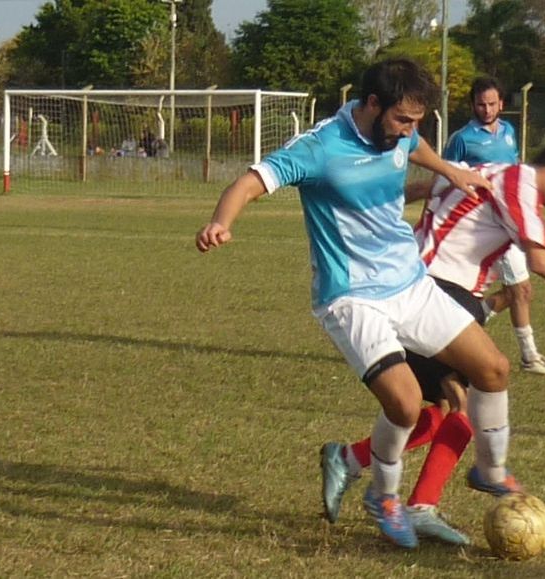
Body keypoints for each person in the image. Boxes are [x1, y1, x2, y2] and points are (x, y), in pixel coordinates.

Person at [196, 58, 513, 551]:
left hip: (410, 284)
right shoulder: (321, 147)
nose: (410, 131)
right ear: (371, 104)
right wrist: (222, 222)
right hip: (351, 298)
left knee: (493, 369)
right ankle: (384, 498)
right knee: (406, 403)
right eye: (403, 119)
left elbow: (416, 146)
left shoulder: (401, 133)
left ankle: (490, 471)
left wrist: (450, 171)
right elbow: (249, 182)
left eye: (417, 121)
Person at [321, 131, 545, 545]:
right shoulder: (519, 184)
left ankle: (371, 472)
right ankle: (411, 485)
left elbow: (436, 183)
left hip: (438, 292)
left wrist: (415, 199)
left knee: (449, 408)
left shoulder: (490, 171)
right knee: (467, 400)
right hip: (434, 292)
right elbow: (539, 259)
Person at [443, 76, 545, 375]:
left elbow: (516, 174)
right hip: (484, 224)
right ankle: (529, 356)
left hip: (509, 224)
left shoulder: (509, 132)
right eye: (480, 104)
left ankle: (470, 322)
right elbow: (445, 177)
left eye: (491, 104)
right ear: (472, 104)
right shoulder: (462, 139)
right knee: (521, 290)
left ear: (501, 103)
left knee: (517, 292)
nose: (486, 110)